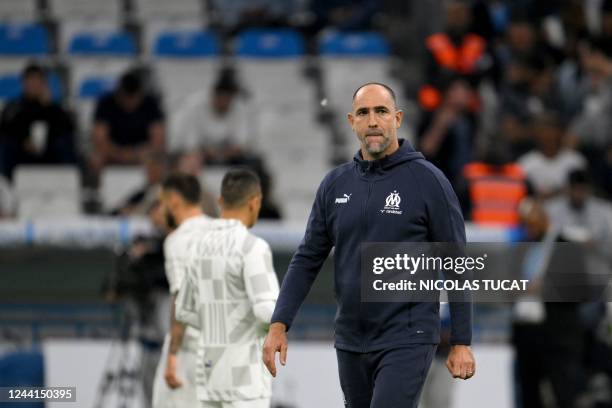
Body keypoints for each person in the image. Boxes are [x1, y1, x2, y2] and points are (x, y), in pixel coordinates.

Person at [263, 82, 475, 408]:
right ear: (351, 121)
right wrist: (279, 324)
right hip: (350, 340)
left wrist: (461, 340)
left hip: (408, 337)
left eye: (381, 111)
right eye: (363, 113)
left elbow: (456, 263)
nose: (373, 121)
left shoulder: (429, 181)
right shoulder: (334, 185)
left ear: (398, 118)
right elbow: (307, 258)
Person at [174, 168, 279, 408]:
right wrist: (285, 318)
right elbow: (265, 311)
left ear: (221, 201)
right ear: (255, 202)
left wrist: (218, 325)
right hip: (246, 378)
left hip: (210, 374)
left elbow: (182, 310)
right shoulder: (253, 247)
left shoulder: (197, 247)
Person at [152, 173, 211, 408]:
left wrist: (173, 356)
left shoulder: (177, 240)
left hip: (189, 349)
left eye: (161, 202)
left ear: (174, 200)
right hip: (224, 346)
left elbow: (181, 300)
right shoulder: (223, 231)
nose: (159, 209)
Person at [0, 63, 78, 179]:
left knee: (65, 145)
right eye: (31, 80)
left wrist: (48, 107)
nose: (34, 84)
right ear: (24, 83)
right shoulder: (14, 107)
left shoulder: (53, 108)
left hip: (49, 153)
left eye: (38, 80)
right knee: (6, 147)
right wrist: (24, 140)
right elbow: (6, 129)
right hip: (21, 153)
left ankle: (67, 182)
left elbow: (67, 128)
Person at [90, 69, 165, 180]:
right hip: (113, 152)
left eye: (133, 99)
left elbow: (158, 141)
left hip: (142, 153)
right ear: (119, 94)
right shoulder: (106, 104)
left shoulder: (151, 104)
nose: (130, 103)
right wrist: (119, 153)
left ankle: (154, 192)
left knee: (158, 161)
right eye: (126, 99)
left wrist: (137, 153)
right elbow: (99, 140)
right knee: (95, 158)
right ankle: (95, 194)